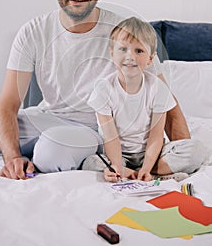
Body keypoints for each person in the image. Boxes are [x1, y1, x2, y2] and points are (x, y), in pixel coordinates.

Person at [0, 0, 191, 179]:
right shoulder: (33, 31)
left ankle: (91, 157)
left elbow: (165, 98)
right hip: (49, 117)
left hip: (101, 126)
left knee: (51, 152)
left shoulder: (124, 31)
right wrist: (12, 158)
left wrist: (179, 151)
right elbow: (8, 104)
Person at [83, 17, 205, 182]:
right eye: (123, 49)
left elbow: (156, 135)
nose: (130, 56)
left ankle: (143, 173)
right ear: (112, 53)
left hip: (152, 153)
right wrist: (117, 165)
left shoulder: (158, 88)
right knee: (91, 163)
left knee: (195, 151)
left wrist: (147, 166)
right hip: (119, 153)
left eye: (138, 51)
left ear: (150, 58)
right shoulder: (104, 89)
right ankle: (140, 173)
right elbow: (110, 136)